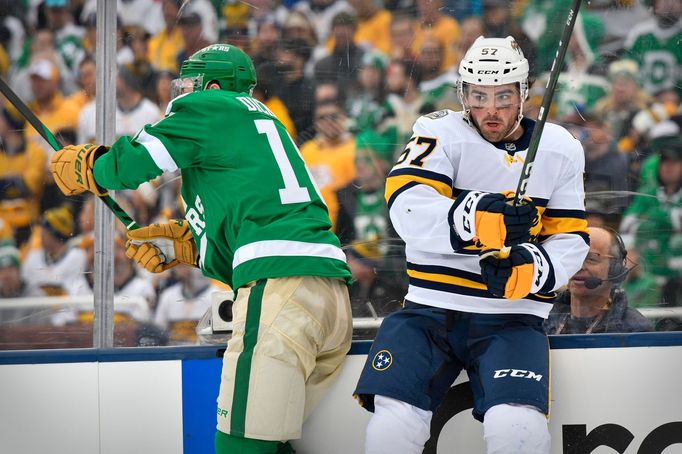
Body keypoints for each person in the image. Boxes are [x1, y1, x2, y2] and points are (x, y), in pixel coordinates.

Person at [48, 43, 352, 454]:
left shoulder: (210, 106)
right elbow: (255, 214)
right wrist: (189, 246)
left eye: (189, 83)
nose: (181, 93)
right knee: (269, 442)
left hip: (280, 288)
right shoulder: (268, 123)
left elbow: (138, 162)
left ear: (211, 85)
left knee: (239, 444)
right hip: (328, 293)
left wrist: (92, 165)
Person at [354, 36, 590, 454]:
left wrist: (530, 267)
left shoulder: (561, 149)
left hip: (511, 318)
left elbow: (570, 237)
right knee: (394, 424)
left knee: (518, 428)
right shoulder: (437, 131)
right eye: (479, 96)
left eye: (503, 96)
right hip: (430, 313)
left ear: (523, 92)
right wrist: (479, 219)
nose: (491, 110)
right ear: (464, 93)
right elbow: (407, 208)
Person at [544, 227, 653, 334]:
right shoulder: (541, 321)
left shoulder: (635, 329)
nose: (578, 267)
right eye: (575, 258)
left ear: (615, 269)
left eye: (591, 258)